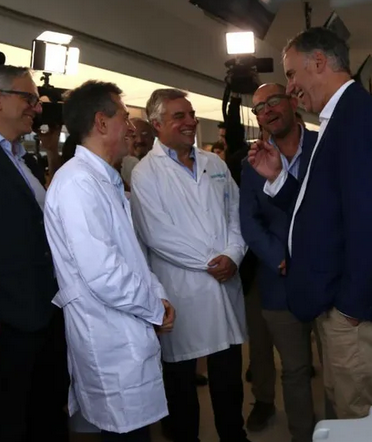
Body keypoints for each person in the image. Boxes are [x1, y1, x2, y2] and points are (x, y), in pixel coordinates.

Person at [248, 27, 372, 419]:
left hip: (354, 310)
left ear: (318, 62)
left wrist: (352, 306)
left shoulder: (359, 115)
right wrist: (277, 178)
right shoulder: (339, 118)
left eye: (292, 74)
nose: (291, 87)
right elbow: (326, 209)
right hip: (338, 303)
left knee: (359, 414)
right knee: (343, 405)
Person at [44, 80, 176, 442]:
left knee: (134, 431)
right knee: (125, 434)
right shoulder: (77, 184)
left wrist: (158, 297)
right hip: (110, 336)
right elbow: (104, 273)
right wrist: (155, 307)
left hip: (126, 327)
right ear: (101, 123)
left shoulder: (103, 180)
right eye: (124, 117)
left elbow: (132, 257)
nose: (130, 127)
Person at [130, 88, 251, 442]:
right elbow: (157, 234)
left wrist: (234, 254)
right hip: (183, 293)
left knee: (228, 380)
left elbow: (236, 214)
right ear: (156, 124)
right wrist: (213, 261)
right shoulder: (146, 173)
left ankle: (234, 436)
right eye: (179, 116)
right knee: (181, 387)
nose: (190, 122)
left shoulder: (215, 164)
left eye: (192, 114)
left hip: (225, 284)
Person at [240, 83, 317, 440]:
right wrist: (278, 257)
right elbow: (249, 222)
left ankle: (342, 432)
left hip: (328, 276)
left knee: (338, 369)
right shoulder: (252, 163)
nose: (267, 110)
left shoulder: (323, 146)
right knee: (295, 369)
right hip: (279, 280)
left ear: (292, 102)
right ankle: (303, 435)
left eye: (273, 101)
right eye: (259, 108)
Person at [0, 65, 69, 442]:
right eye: (28, 98)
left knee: (46, 411)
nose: (37, 108)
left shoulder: (25, 160)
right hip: (10, 320)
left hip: (45, 311)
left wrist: (52, 151)